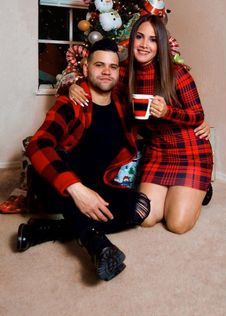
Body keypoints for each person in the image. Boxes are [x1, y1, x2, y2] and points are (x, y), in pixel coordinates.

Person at [16, 38, 150, 281]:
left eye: (112, 66)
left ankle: (45, 230)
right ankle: (96, 245)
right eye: (99, 65)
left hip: (98, 186)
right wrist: (76, 189)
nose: (107, 72)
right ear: (87, 68)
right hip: (62, 189)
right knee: (54, 158)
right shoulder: (71, 103)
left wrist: (196, 122)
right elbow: (38, 145)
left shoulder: (122, 104)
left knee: (140, 206)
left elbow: (153, 125)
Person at [69, 14, 213, 234]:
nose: (145, 45)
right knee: (145, 217)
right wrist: (73, 87)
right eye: (140, 37)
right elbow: (99, 77)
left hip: (189, 152)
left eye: (153, 40)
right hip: (157, 152)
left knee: (176, 224)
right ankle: (185, 193)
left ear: (161, 44)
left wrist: (167, 112)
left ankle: (201, 189)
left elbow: (197, 115)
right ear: (132, 39)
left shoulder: (177, 73)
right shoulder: (125, 71)